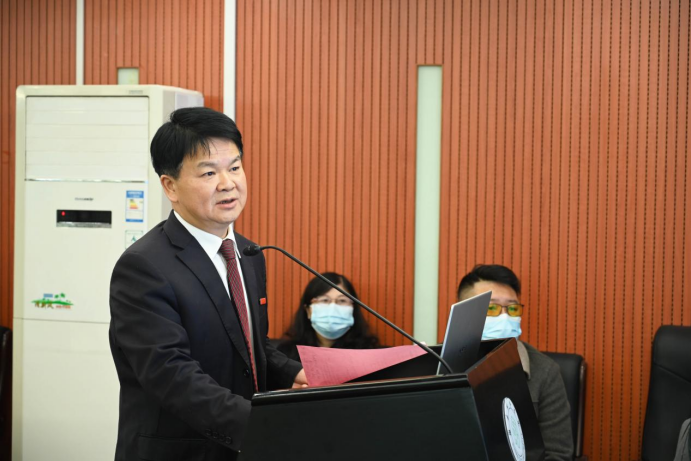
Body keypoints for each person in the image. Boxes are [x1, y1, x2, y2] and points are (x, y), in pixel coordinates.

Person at [109, 107, 307, 461]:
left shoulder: (247, 253)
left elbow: (249, 346)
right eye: (209, 172)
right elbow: (171, 375)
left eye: (235, 167)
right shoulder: (144, 267)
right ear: (170, 186)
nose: (228, 183)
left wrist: (295, 374)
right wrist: (261, 426)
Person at [457, 264, 573, 461]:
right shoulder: (438, 365)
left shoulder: (545, 371)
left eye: (512, 308)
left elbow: (558, 454)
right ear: (464, 313)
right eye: (491, 308)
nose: (505, 317)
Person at [277, 272, 381, 361]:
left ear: (353, 308)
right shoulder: (286, 355)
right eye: (325, 300)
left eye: (342, 300)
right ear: (308, 310)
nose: (333, 308)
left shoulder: (368, 354)